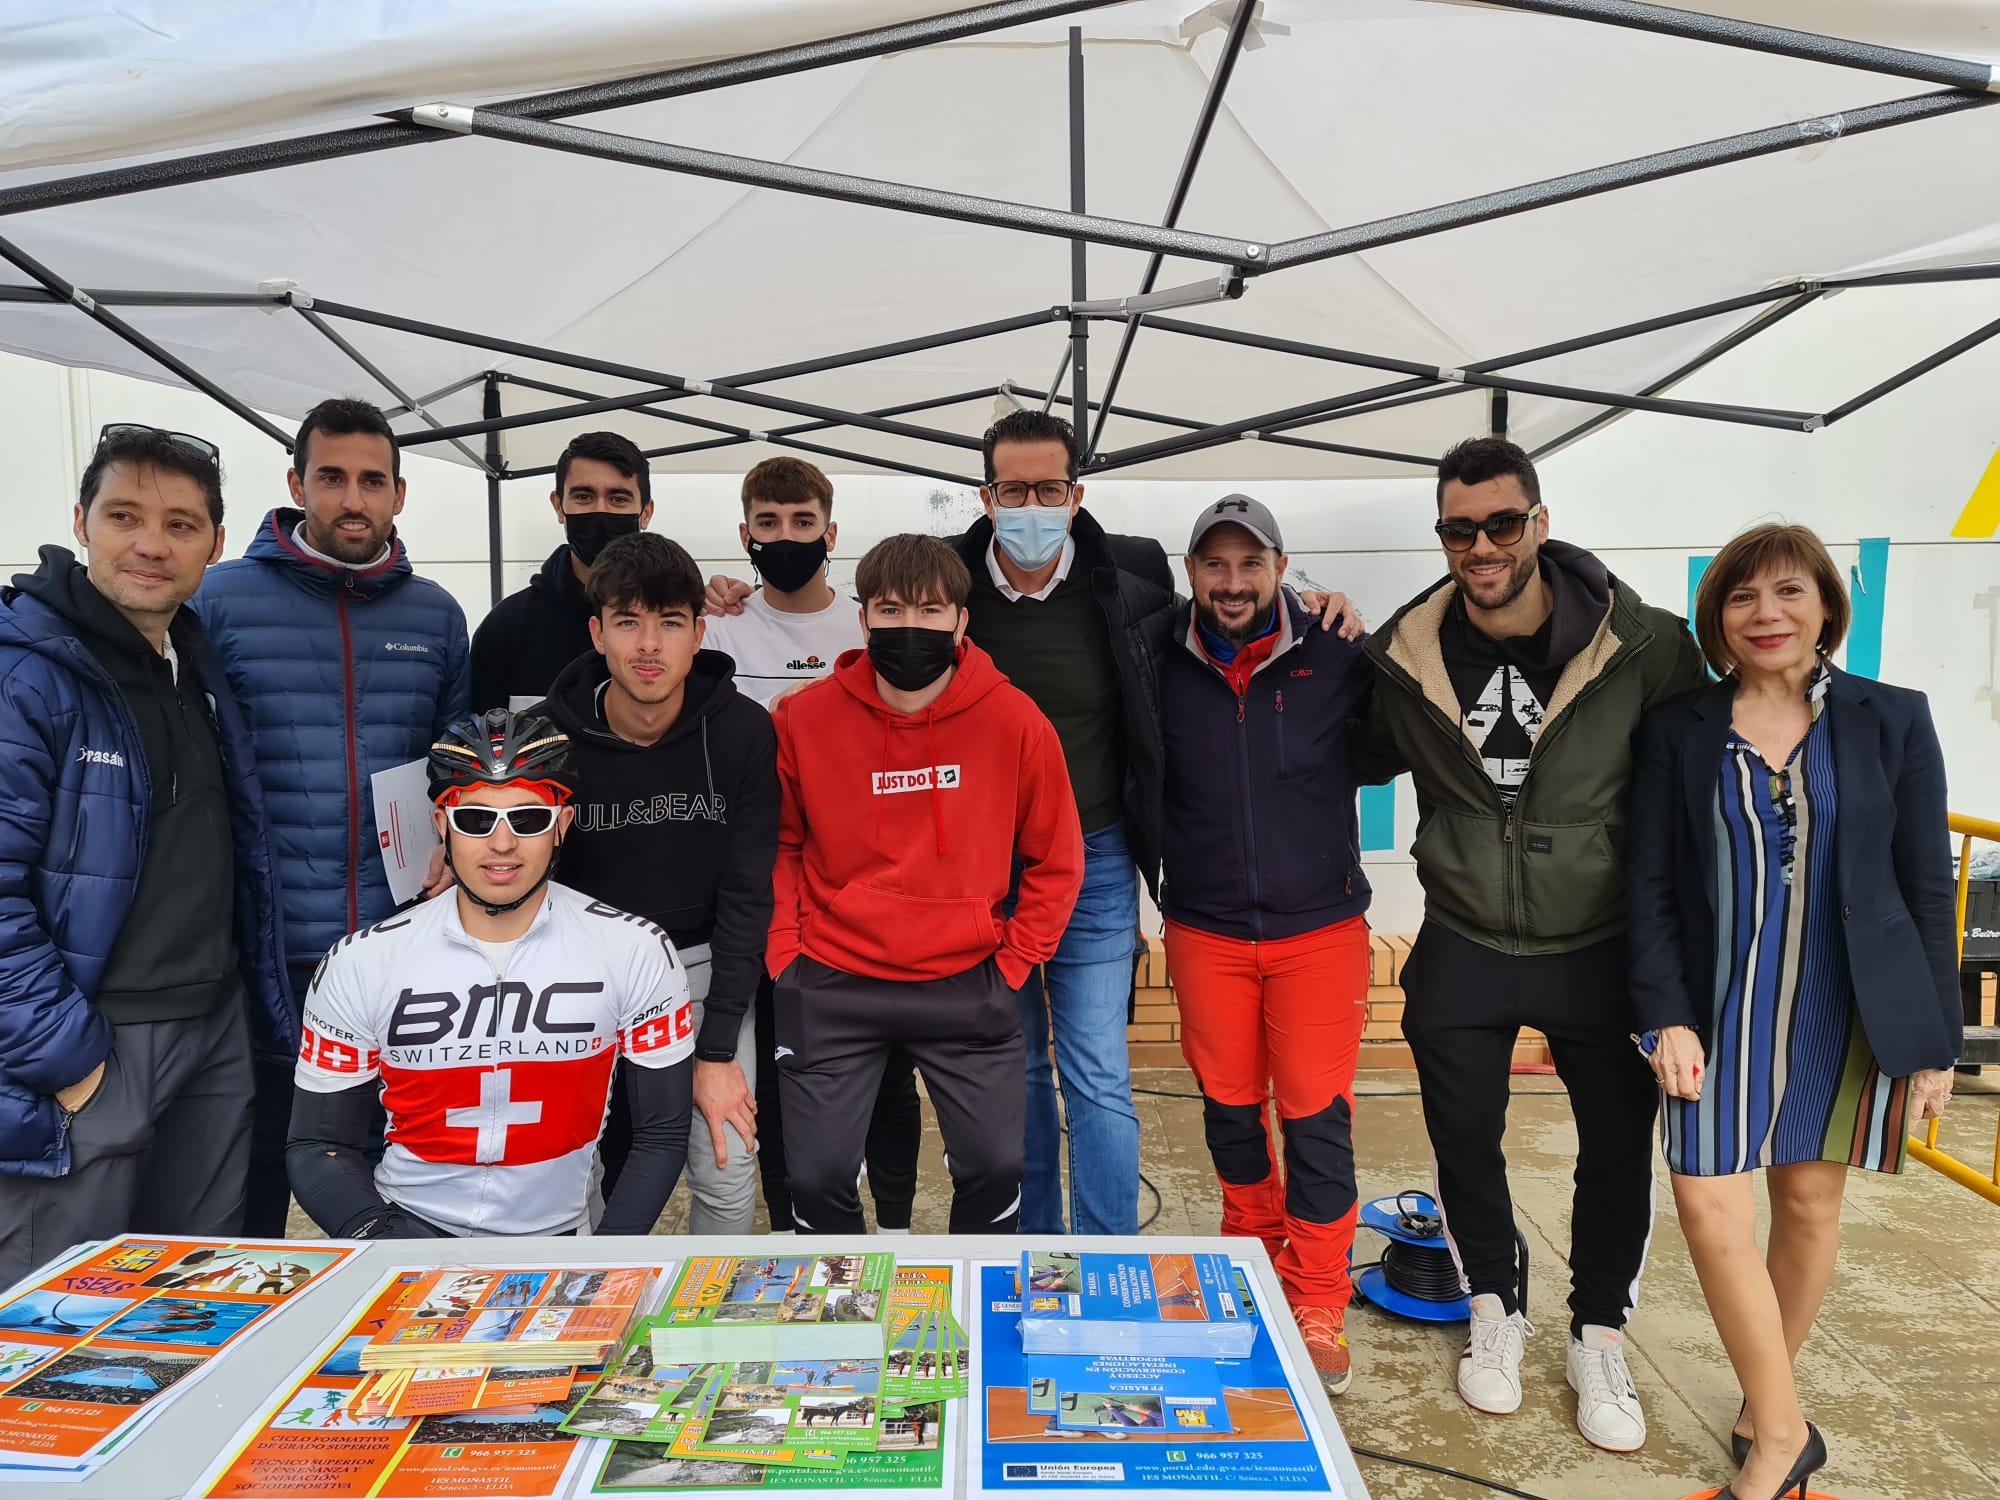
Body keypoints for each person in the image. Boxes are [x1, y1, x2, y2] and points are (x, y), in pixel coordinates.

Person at [1354, 436, 1706, 1450]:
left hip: (1599, 942)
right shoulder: (1405, 655)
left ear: (1539, 524)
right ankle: (1494, 1308)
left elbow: (1694, 791)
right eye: (1458, 529)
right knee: (1463, 1142)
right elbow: (1346, 752)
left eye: (1501, 524)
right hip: (1464, 936)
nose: (1481, 547)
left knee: (1615, 1151)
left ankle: (1598, 1333)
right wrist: (1319, 628)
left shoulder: (1643, 645)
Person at [1629, 523, 1957, 1500]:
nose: (1764, 614)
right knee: (1705, 1202)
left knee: (1808, 1203)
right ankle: (1784, 1435)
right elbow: (1647, 886)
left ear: (1824, 608)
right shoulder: (1678, 728)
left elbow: (1924, 886)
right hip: (1715, 1006)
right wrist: (1663, 1013)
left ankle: (1759, 1414)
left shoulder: (1891, 718)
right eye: (1741, 597)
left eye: (1787, 592)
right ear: (1717, 618)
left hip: (1844, 1005)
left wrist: (1935, 1040)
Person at [0, 424, 293, 1285]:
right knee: (64, 1315)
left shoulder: (194, 665)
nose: (152, 545)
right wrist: (67, 1059)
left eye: (180, 524)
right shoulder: (27, 676)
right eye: (125, 516)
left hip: (213, 1031)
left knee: (193, 1301)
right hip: (94, 1042)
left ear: (215, 544)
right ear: (81, 522)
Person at [195, 395, 471, 1236]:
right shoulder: (216, 600)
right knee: (255, 1167)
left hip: (396, 946)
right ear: (296, 485)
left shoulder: (436, 614)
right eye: (332, 478)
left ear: (399, 494)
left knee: (399, 1169)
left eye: (372, 481)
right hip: (266, 949)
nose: (353, 499)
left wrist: (453, 842)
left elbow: (456, 765)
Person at [767, 533, 1083, 1233]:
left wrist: (1014, 963)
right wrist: (786, 955)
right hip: (831, 977)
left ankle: (974, 1298)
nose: (910, 627)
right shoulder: (803, 718)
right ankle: (846, 1300)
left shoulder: (1015, 720)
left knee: (996, 1171)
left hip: (968, 978)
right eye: (891, 610)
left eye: (930, 611)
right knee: (814, 1179)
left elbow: (1057, 859)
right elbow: (779, 846)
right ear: (863, 620)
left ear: (961, 621)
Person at [286, 709, 693, 1238]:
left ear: (562, 825)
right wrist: (388, 1244)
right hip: (406, 1227)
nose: (502, 844)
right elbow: (318, 1145)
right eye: (476, 820)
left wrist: (602, 1263)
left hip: (562, 1234)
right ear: (441, 825)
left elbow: (661, 1136)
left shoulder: (635, 949)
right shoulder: (362, 960)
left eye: (528, 820)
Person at [1149, 496, 1373, 1398]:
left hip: (1318, 930)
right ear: (1191, 573)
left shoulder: (1338, 651)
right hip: (1205, 928)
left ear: (1282, 567)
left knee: (1315, 1118)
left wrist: (1346, 611)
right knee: (1230, 1109)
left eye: (1251, 563)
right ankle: (1251, 1248)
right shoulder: (1156, 657)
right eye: (1216, 564)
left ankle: (1317, 1296)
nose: (1233, 582)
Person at [702, 456, 923, 1235]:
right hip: (761, 885)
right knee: (780, 1068)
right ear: (745, 534)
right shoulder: (718, 626)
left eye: (803, 523)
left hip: (860, 887)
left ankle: (894, 1227)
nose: (786, 536)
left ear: (832, 534)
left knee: (888, 1069)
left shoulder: (867, 626)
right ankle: (795, 1229)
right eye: (769, 523)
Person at [535, 531, 778, 1235]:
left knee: (726, 1166)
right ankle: (587, 1295)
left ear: (698, 634)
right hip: (578, 974)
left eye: (670, 623)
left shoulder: (742, 731)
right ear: (597, 633)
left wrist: (718, 1050)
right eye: (627, 622)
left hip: (702, 971)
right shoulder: (547, 739)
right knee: (569, 1176)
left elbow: (747, 897)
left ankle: (713, 1302)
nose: (649, 645)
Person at [470, 430, 655, 711]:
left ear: (646, 512)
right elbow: (483, 731)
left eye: (618, 498)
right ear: (558, 506)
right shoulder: (506, 627)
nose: (599, 511)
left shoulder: (678, 620)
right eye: (584, 496)